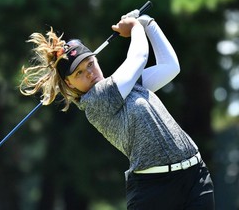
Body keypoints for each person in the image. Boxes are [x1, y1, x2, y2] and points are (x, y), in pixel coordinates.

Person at [20, 11, 215, 210]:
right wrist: (135, 27)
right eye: (79, 73)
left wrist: (148, 23)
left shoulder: (128, 85)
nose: (89, 73)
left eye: (90, 63)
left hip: (195, 176)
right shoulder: (96, 100)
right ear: (69, 84)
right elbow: (139, 57)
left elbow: (170, 66)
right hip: (155, 191)